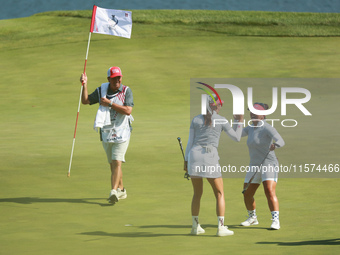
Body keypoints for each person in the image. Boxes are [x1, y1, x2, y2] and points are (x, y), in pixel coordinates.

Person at [184, 95, 243, 236]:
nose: (221, 106)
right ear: (214, 106)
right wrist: (239, 121)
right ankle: (221, 228)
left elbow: (189, 142)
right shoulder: (221, 120)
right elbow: (237, 137)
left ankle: (195, 227)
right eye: (220, 104)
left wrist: (186, 162)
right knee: (219, 193)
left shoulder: (196, 119)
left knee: (197, 194)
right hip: (209, 157)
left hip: (194, 156)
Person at [80, 66, 134, 205]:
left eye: (119, 77)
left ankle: (113, 191)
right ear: (109, 79)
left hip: (122, 132)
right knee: (113, 164)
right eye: (114, 78)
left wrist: (110, 103)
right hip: (106, 132)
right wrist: (84, 84)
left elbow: (128, 111)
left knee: (117, 161)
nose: (117, 80)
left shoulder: (126, 91)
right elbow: (85, 101)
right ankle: (122, 190)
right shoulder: (101, 90)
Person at [239, 102, 285, 230]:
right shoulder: (250, 128)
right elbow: (237, 135)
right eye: (251, 111)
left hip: (269, 163)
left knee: (269, 190)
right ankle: (252, 218)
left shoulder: (267, 128)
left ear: (263, 115)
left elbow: (281, 141)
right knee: (247, 193)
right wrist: (236, 121)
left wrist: (275, 145)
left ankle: (275, 220)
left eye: (256, 112)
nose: (252, 114)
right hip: (254, 165)